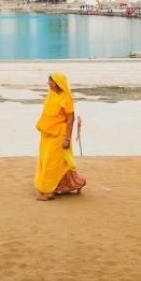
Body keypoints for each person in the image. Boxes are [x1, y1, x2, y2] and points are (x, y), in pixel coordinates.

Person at [34, 72, 86, 201]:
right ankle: (69, 184)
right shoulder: (51, 95)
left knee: (52, 163)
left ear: (57, 83)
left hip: (59, 136)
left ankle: (49, 191)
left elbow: (70, 119)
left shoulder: (66, 97)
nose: (48, 83)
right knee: (46, 161)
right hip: (47, 135)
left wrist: (67, 138)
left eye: (50, 81)